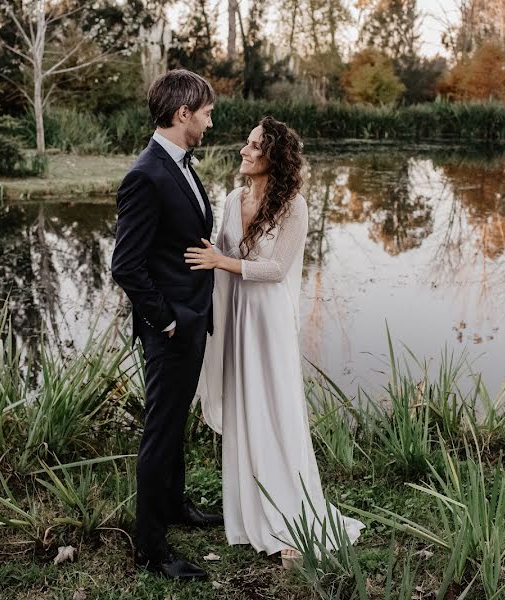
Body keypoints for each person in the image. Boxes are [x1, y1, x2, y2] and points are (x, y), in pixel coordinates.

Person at [186, 116, 364, 568]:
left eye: (254, 147)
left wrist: (220, 261)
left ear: (274, 160)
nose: (244, 151)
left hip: (267, 321)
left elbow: (276, 270)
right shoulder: (231, 199)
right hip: (236, 318)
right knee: (245, 406)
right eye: (246, 144)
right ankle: (249, 513)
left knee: (274, 407)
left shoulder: (294, 205)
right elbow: (216, 250)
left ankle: (290, 513)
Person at [110, 69, 223, 581]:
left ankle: (175, 506)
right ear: (183, 114)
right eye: (205, 112)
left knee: (175, 423)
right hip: (173, 328)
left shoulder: (178, 163)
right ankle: (151, 549)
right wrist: (169, 322)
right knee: (160, 431)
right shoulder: (147, 174)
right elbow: (126, 265)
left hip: (193, 320)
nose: (209, 120)